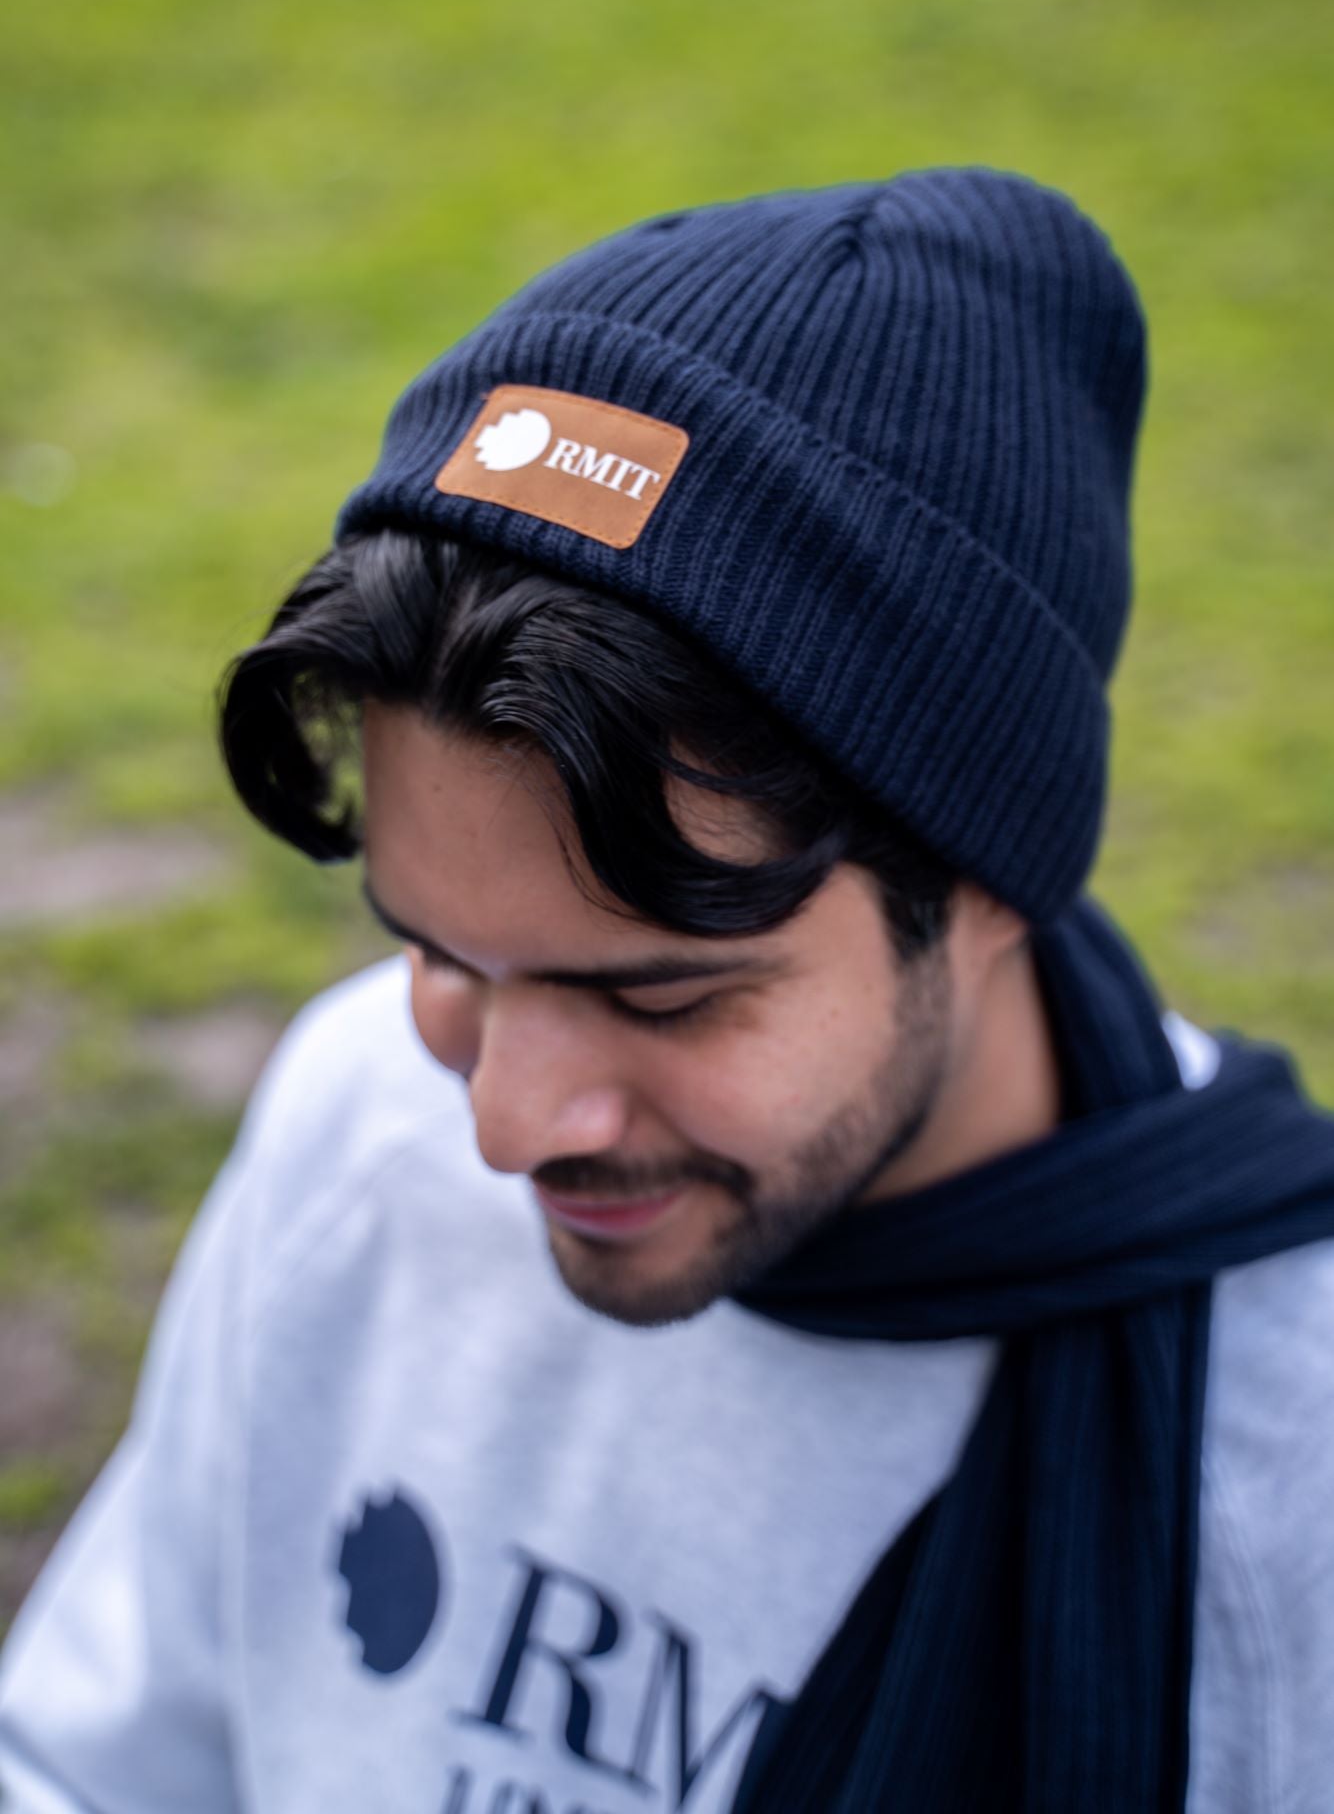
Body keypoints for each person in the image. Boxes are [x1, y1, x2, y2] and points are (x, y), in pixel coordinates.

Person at [1, 168, 1332, 1814]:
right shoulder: (356, 1126)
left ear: (986, 884)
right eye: (436, 952)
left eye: (661, 1000)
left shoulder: (1287, 1456)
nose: (499, 1127)